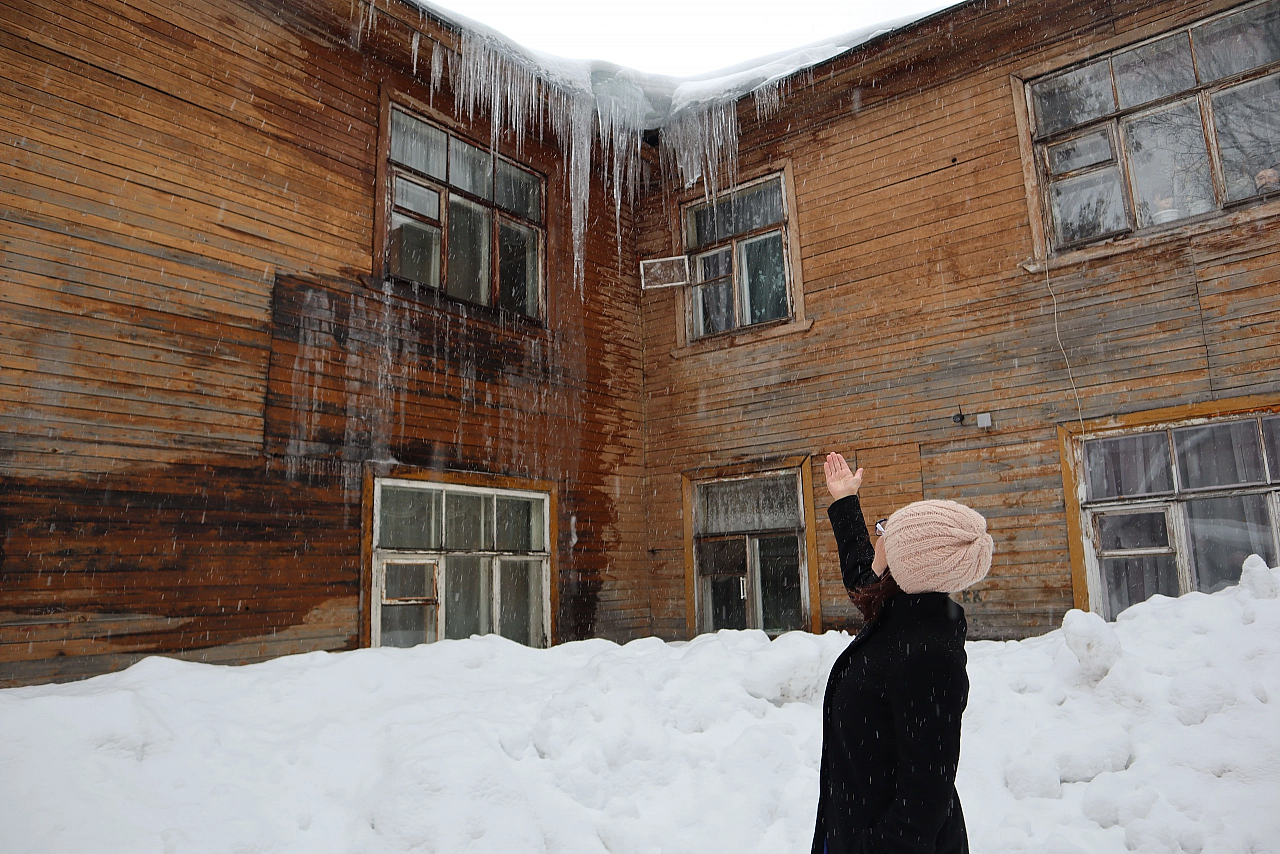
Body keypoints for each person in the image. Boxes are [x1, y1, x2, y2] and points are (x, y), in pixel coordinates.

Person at [811, 453, 993, 854]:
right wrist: (844, 502)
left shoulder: (929, 657)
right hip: (852, 822)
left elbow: (926, 796)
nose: (878, 536)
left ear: (905, 565)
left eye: (885, 533)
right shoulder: (902, 610)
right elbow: (862, 577)